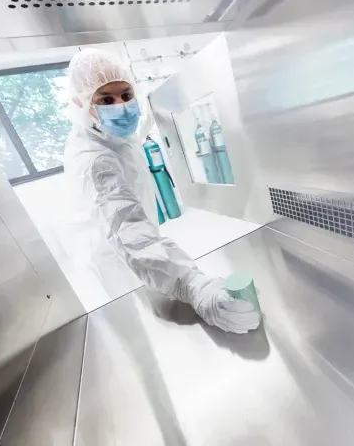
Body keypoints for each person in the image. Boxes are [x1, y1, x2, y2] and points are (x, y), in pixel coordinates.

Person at [64, 48, 260, 334]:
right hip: (119, 264)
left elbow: (133, 138)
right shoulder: (95, 160)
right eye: (106, 99)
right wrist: (192, 284)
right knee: (145, 332)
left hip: (142, 255)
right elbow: (129, 232)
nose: (121, 106)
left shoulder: (113, 135)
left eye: (126, 95)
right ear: (81, 103)